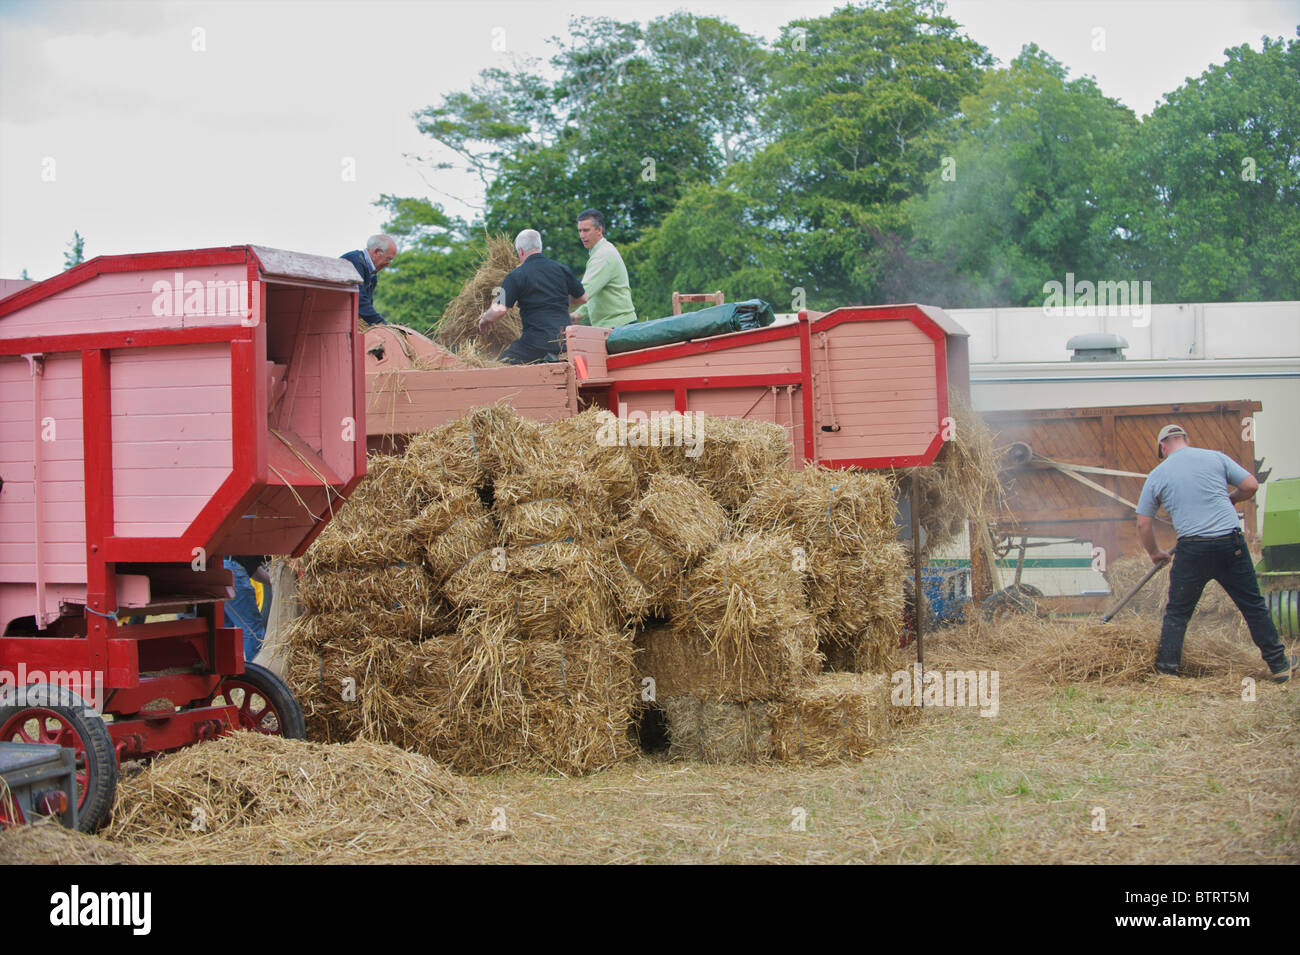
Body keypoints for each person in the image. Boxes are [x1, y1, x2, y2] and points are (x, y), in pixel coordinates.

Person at [1135, 424, 1296, 682]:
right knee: (1253, 605)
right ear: (1186, 439)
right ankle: (1279, 666)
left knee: (1177, 612)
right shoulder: (1215, 457)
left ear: (1162, 447)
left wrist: (1155, 553)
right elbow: (1251, 485)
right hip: (1229, 544)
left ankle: (1166, 671)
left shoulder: (1158, 473)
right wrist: (1231, 498)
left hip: (1192, 549)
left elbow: (1143, 523)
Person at [478, 229, 586, 364]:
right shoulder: (562, 269)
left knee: (500, 365)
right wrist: (560, 301)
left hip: (535, 343)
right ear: (539, 247)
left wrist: (485, 318)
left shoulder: (516, 275)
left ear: (521, 251)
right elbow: (583, 298)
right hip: (565, 342)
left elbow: (499, 309)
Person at [569, 209, 637, 329]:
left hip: (618, 327)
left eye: (586, 230)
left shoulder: (603, 256)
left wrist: (555, 309)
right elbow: (593, 293)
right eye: (579, 231)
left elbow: (583, 293)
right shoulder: (600, 252)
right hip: (615, 325)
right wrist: (578, 313)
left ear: (599, 230)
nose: (582, 235)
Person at [341, 234, 398, 325]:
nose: (388, 264)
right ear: (377, 252)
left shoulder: (372, 275)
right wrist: (380, 323)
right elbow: (359, 299)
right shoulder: (354, 262)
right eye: (388, 259)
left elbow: (367, 303)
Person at [223, 555, 271, 663]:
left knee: (225, 630)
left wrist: (274, 582)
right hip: (232, 570)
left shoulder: (244, 553)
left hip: (218, 568)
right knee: (251, 629)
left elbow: (253, 570)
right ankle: (259, 669)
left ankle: (228, 670)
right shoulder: (269, 545)